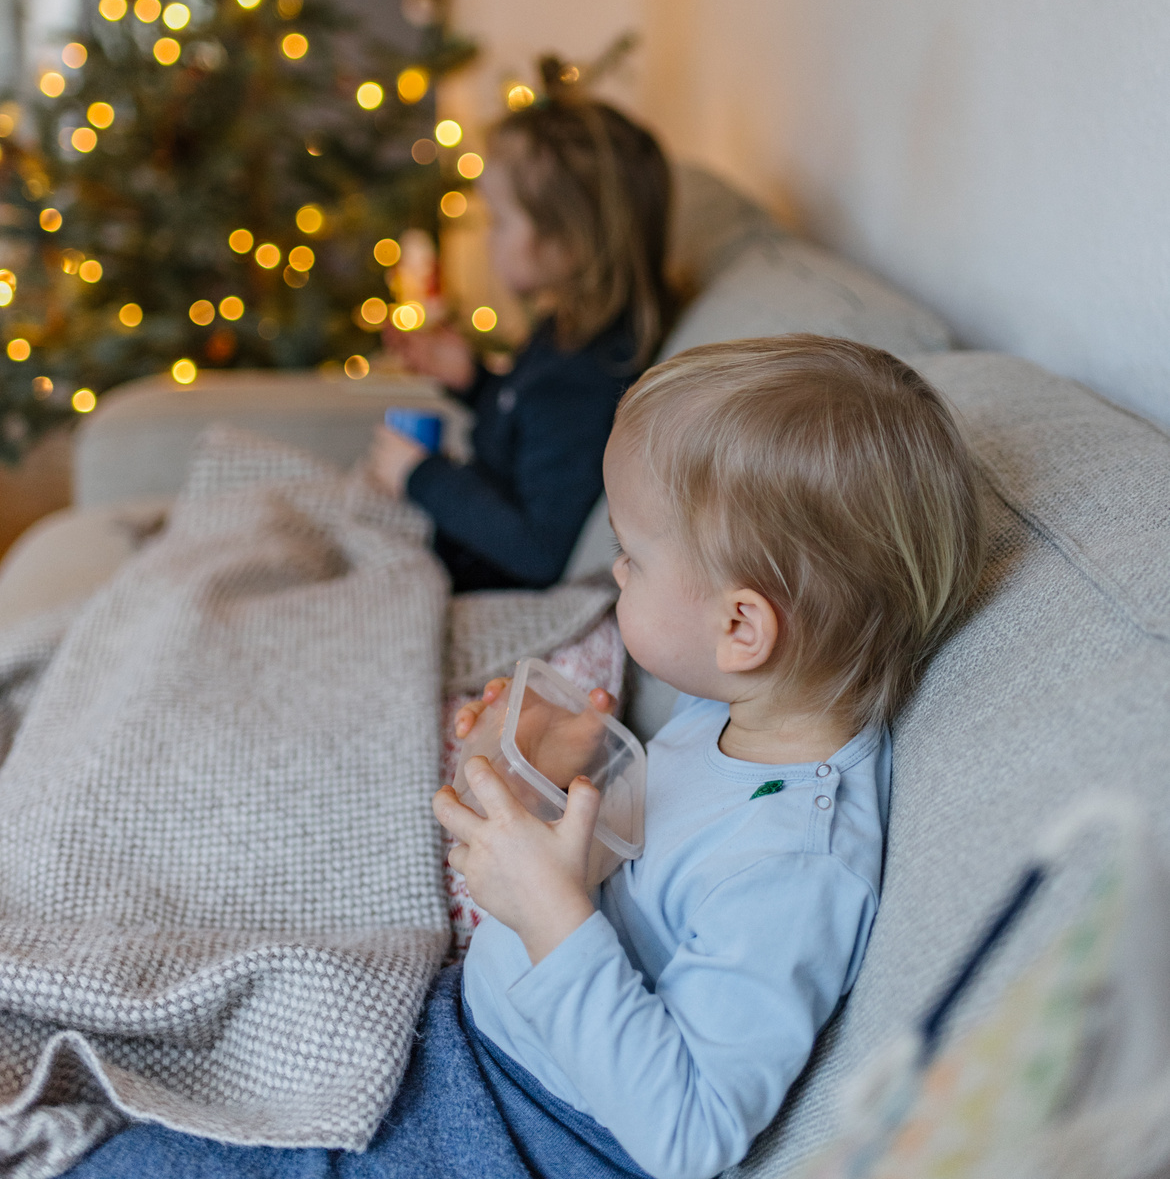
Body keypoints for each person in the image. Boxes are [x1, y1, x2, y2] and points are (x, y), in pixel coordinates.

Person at [68, 335, 986, 1179]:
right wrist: (546, 778)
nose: (614, 571)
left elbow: (689, 1132)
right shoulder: (742, 710)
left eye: (630, 556)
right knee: (176, 1075)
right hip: (480, 1040)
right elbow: (640, 879)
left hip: (530, 1130)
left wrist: (547, 909)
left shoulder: (793, 868)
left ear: (740, 625)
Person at [369, 60, 674, 591]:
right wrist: (475, 381)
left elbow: (538, 550)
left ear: (569, 241)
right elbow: (524, 431)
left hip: (472, 572)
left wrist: (420, 474)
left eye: (500, 221)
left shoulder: (583, 384)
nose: (489, 239)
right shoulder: (571, 331)